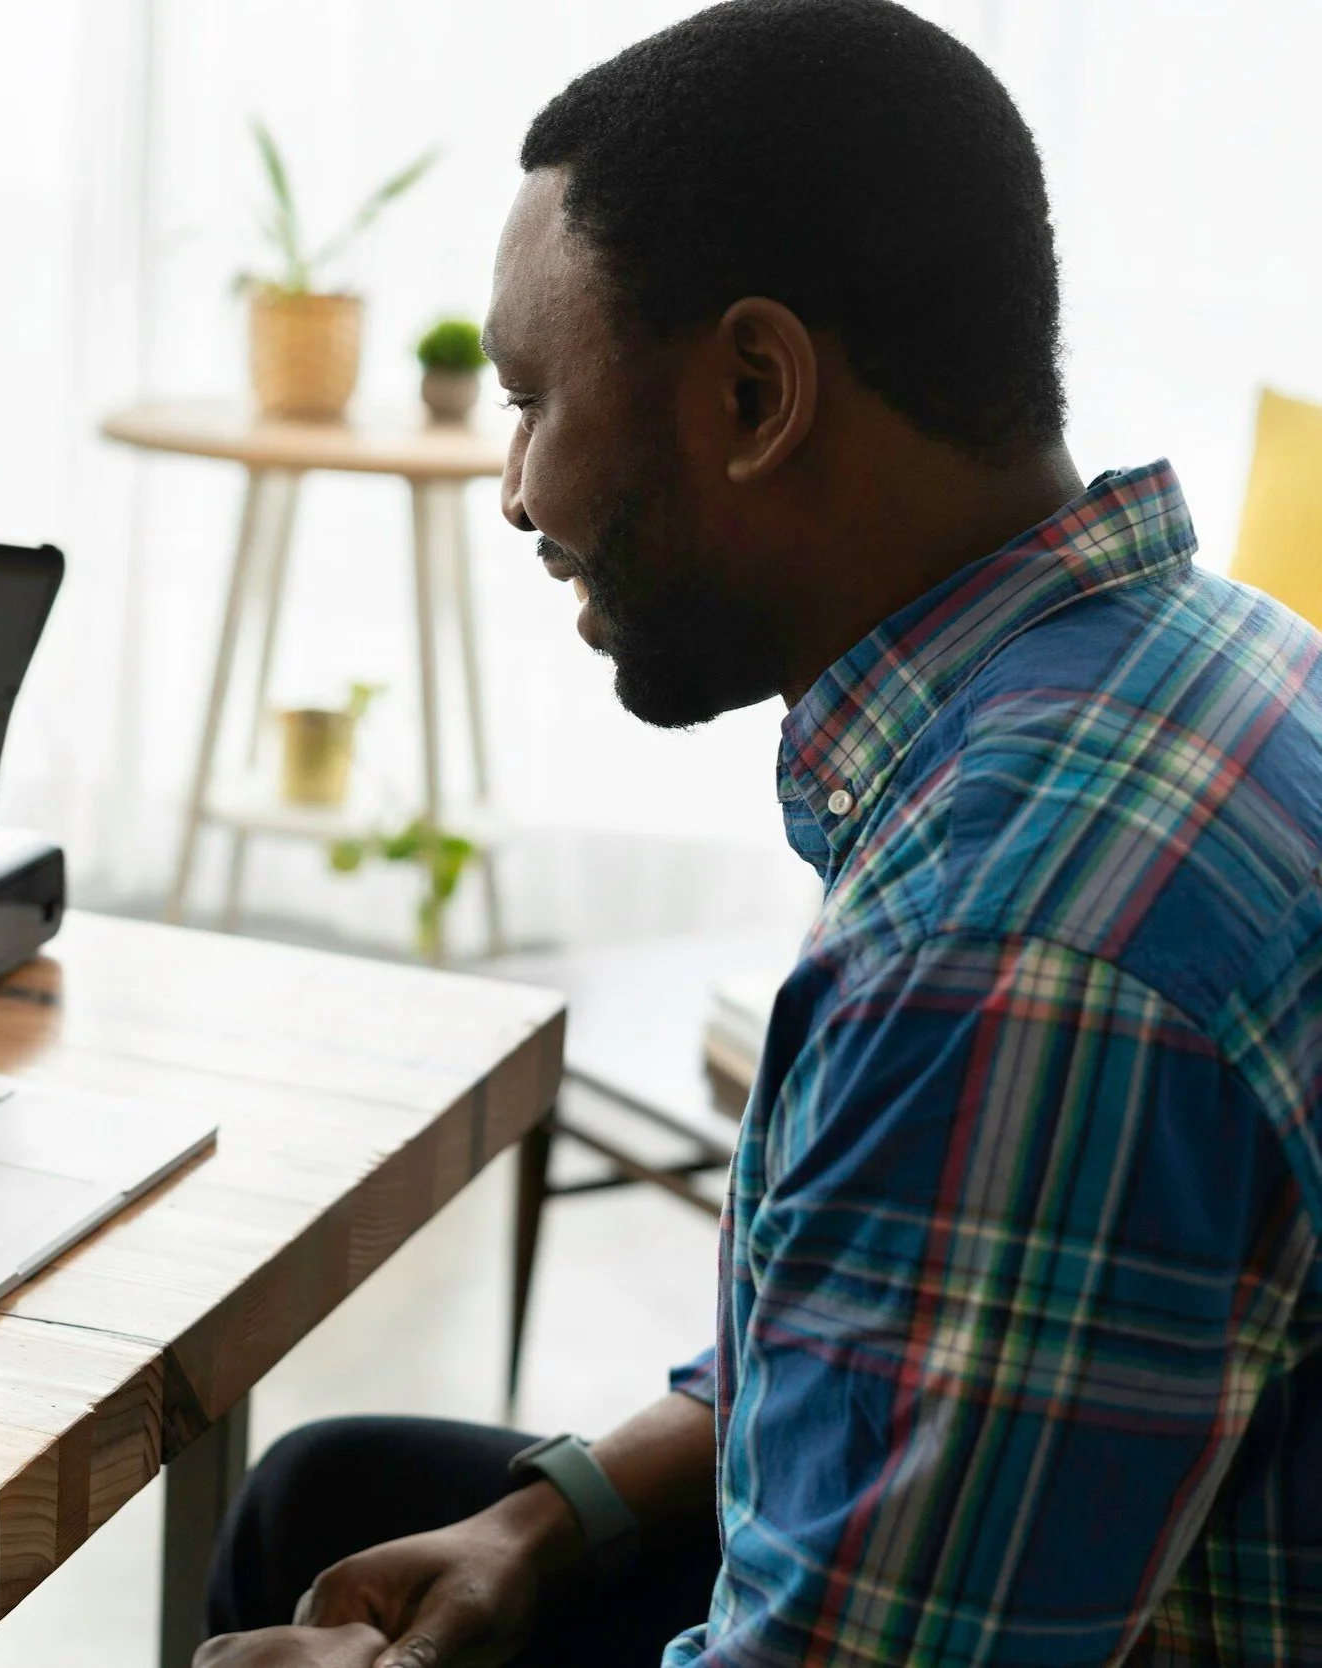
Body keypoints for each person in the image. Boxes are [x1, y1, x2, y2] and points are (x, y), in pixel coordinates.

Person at [196, 2, 1322, 1665]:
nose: (512, 488)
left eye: (531, 398)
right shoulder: (1203, 658)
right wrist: (544, 1514)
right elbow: (894, 1333)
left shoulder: (1003, 946)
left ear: (750, 390)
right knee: (332, 1496)